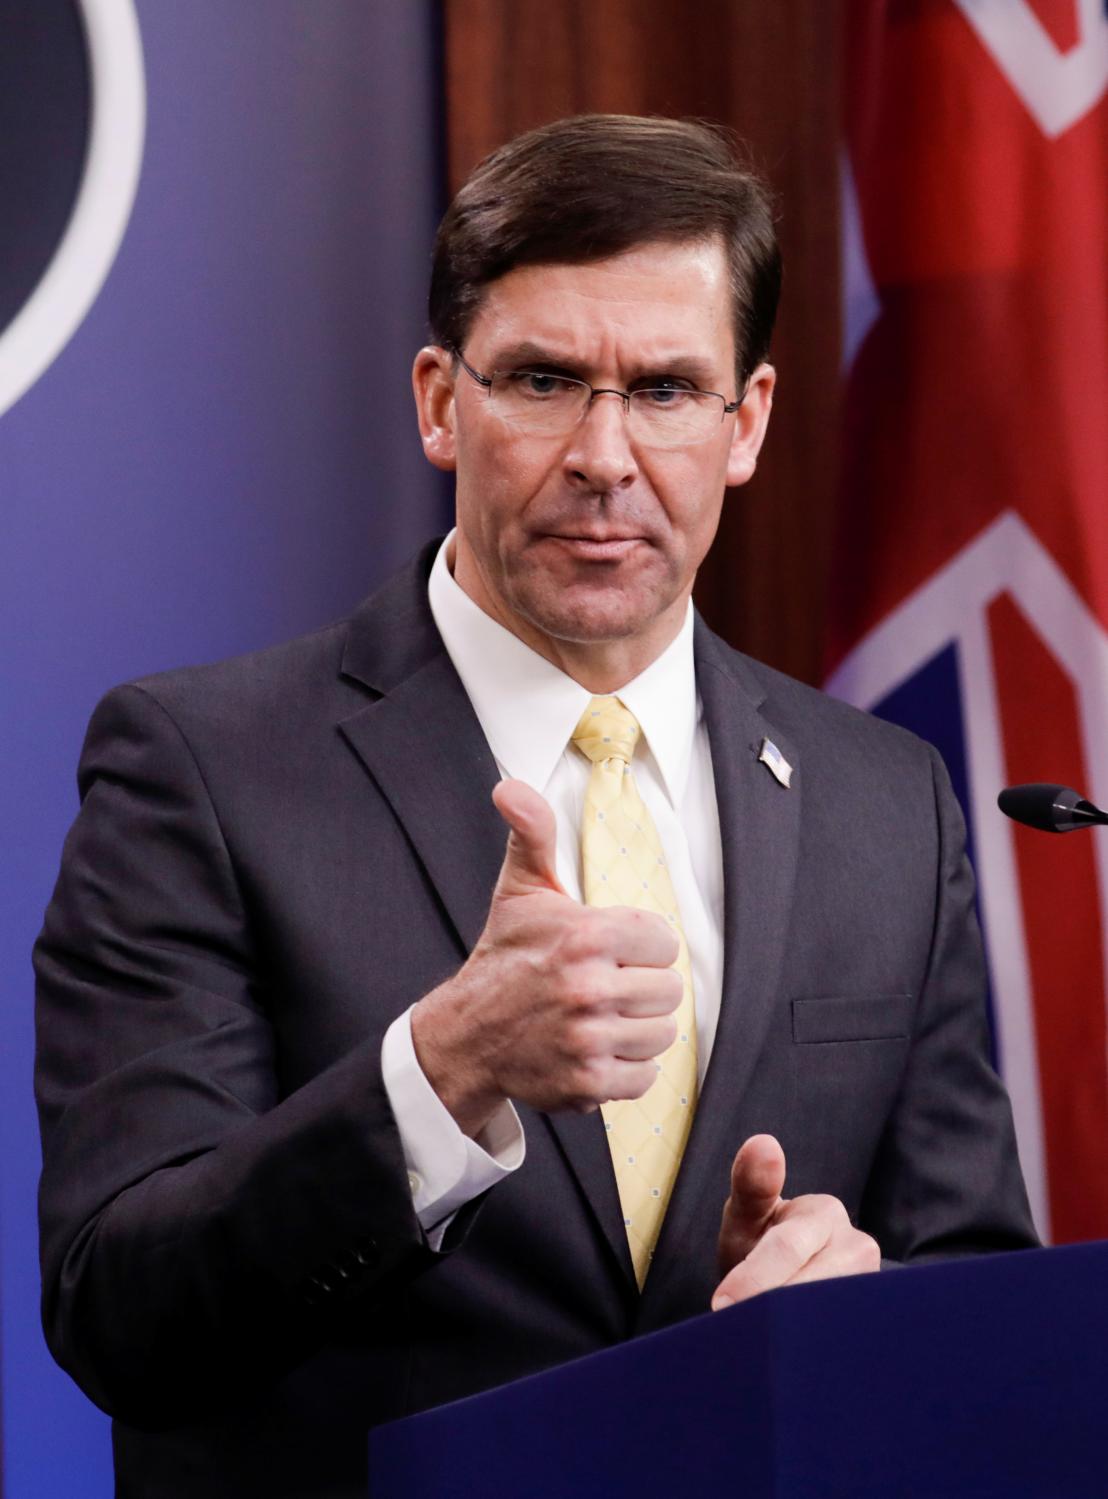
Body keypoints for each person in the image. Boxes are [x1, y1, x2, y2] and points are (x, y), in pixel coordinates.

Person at [35, 115, 1036, 1498]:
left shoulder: (886, 800)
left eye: (668, 391)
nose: (605, 455)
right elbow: (120, 1312)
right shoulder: (199, 769)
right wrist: (440, 1073)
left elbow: (980, 1301)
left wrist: (861, 1308)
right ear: (442, 403)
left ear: (746, 423)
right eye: (548, 378)